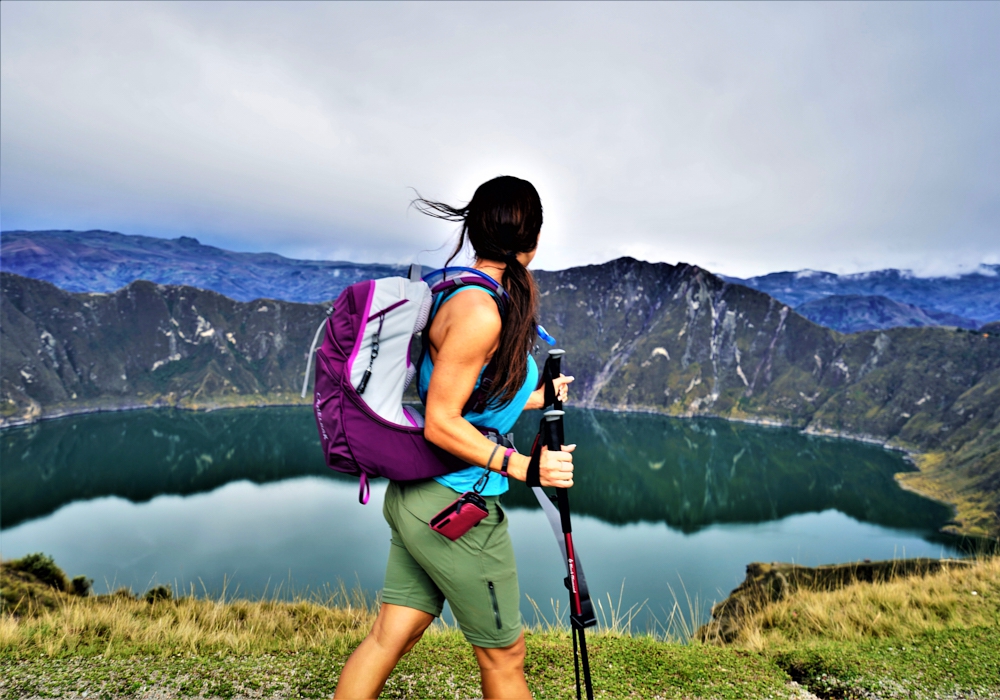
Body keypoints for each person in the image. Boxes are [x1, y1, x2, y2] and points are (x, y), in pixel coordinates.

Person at [333, 176, 576, 699]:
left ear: (474, 230)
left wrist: (541, 396)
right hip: (455, 509)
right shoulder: (479, 311)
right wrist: (525, 469)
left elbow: (472, 398)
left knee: (389, 635)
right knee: (504, 656)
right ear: (532, 243)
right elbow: (443, 420)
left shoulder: (462, 291)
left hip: (420, 496)